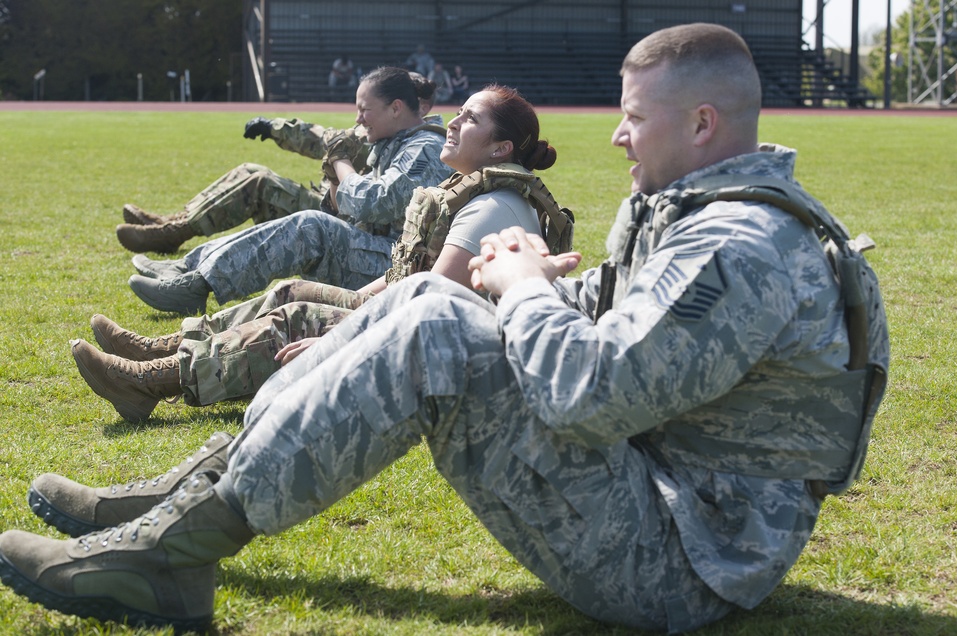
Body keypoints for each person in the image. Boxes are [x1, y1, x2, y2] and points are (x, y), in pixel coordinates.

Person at [0, 23, 890, 634]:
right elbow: (614, 330)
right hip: (658, 493)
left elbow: (588, 398)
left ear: (702, 124)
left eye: (634, 117)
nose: (618, 138)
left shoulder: (741, 243)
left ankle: (167, 559)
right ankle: (173, 506)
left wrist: (520, 287)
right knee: (423, 305)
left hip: (690, 560)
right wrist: (515, 292)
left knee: (436, 327)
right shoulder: (688, 212)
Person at [70, 86, 563, 422]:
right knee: (295, 290)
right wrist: (347, 302)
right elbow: (403, 278)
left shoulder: (490, 208)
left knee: (296, 316)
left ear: (500, 150)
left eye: (470, 119)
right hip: (427, 336)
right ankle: (165, 349)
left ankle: (150, 382)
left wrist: (335, 337)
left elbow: (424, 306)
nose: (453, 122)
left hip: (446, 367)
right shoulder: (477, 192)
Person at [124, 68, 455, 315]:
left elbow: (375, 202)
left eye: (364, 110)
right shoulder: (391, 139)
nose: (357, 118)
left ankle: (198, 285)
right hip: (382, 255)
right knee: (301, 214)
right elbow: (334, 161)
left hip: (394, 268)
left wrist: (340, 164)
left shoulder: (424, 148)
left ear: (396, 108)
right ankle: (190, 270)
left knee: (311, 225)